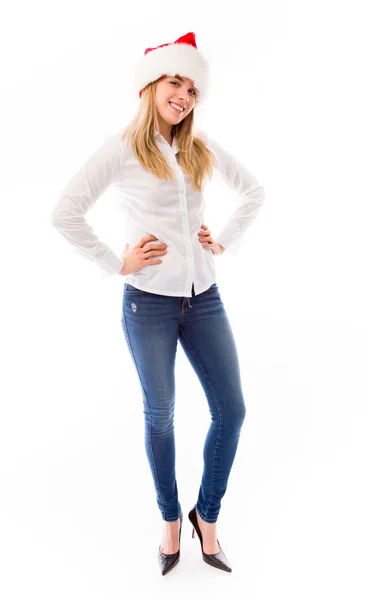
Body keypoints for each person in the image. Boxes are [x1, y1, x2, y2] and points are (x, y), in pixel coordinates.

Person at [50, 31, 265, 576]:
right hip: (149, 305)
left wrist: (223, 239)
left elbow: (254, 191)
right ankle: (169, 522)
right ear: (151, 86)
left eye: (192, 88)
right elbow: (65, 213)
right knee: (160, 416)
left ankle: (206, 517)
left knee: (232, 411)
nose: (185, 96)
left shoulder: (198, 148)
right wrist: (115, 261)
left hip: (205, 301)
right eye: (176, 82)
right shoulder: (121, 149)